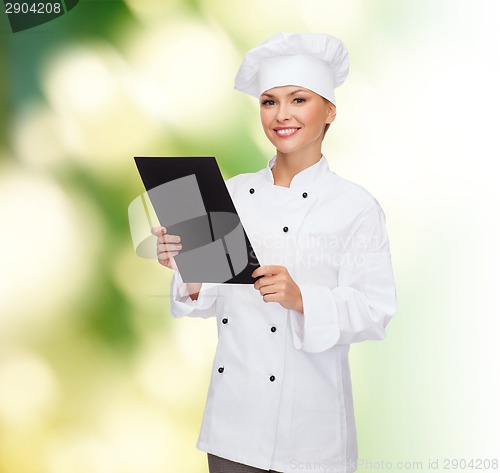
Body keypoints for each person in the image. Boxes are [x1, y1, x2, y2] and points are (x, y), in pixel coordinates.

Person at [152, 32, 397, 473]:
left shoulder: (356, 206)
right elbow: (204, 298)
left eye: (298, 99)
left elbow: (375, 310)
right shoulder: (229, 193)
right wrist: (185, 266)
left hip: (312, 432)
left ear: (329, 112)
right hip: (233, 428)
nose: (282, 115)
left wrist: (302, 298)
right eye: (269, 102)